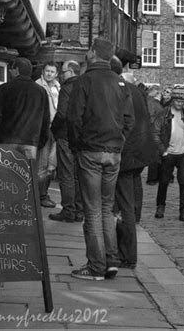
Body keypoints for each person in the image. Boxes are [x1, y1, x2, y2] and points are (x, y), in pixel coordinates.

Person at [67, 38, 135, 281]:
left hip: (91, 151)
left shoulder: (84, 80)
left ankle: (96, 266)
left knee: (93, 210)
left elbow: (74, 118)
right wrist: (119, 143)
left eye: (88, 49)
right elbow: (129, 120)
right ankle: (111, 261)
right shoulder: (120, 83)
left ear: (93, 53)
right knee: (107, 208)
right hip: (113, 153)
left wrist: (77, 145)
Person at [111, 56, 158, 268]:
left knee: (123, 206)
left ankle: (126, 255)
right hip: (139, 153)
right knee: (129, 199)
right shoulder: (135, 90)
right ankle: (124, 252)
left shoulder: (118, 90)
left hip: (126, 154)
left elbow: (122, 124)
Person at [0, 57, 50, 160]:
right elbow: (45, 119)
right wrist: (39, 142)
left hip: (6, 141)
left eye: (11, 68)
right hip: (30, 143)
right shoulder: (41, 91)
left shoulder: (3, 89)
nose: (9, 71)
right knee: (27, 174)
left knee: (7, 174)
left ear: (17, 70)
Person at [152, 85, 184, 222]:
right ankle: (160, 205)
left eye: (182, 102)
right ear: (172, 100)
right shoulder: (163, 114)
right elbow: (155, 133)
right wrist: (163, 151)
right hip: (168, 153)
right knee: (164, 181)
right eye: (177, 101)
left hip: (183, 153)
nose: (179, 104)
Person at [49, 60, 84, 223]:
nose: (61, 75)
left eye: (63, 72)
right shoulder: (85, 86)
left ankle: (68, 210)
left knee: (67, 175)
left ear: (71, 71)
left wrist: (54, 129)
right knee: (78, 174)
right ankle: (78, 209)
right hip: (81, 137)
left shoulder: (67, 88)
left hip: (66, 136)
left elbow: (62, 114)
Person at [36, 61, 60, 207]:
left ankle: (43, 194)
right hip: (44, 129)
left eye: (52, 71)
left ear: (56, 74)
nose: (49, 74)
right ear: (43, 71)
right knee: (42, 165)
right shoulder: (38, 86)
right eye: (47, 71)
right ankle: (40, 195)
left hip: (55, 130)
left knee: (52, 165)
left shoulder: (58, 87)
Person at [145, 85, 164, 185]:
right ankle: (153, 178)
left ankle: (155, 177)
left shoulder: (148, 101)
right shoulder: (152, 102)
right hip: (155, 131)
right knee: (155, 155)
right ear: (157, 93)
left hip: (153, 131)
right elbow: (151, 117)